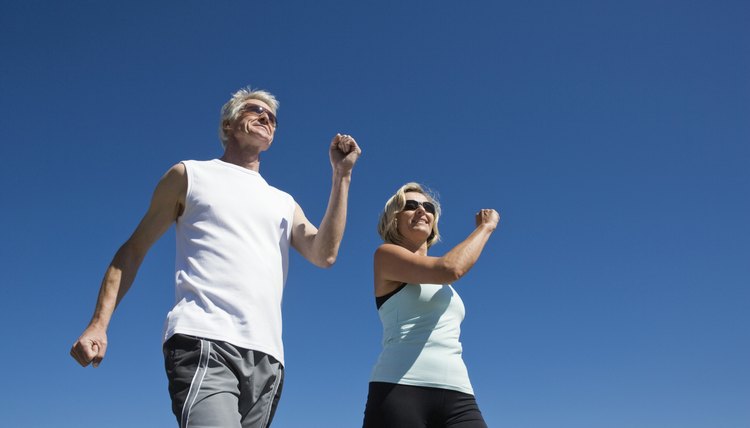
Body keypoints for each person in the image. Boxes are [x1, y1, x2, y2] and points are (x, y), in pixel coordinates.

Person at [70, 87, 362, 428]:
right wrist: (99, 323)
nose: (266, 118)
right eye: (255, 110)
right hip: (204, 339)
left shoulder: (283, 201)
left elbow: (324, 254)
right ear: (228, 124)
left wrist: (342, 176)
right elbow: (132, 250)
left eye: (273, 118)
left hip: (268, 357)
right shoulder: (190, 175)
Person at [362, 182, 499, 428]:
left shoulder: (444, 287)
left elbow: (445, 271)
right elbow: (451, 268)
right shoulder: (385, 256)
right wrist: (486, 227)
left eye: (428, 207)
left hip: (459, 393)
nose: (421, 210)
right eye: (410, 206)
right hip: (399, 390)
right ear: (394, 219)